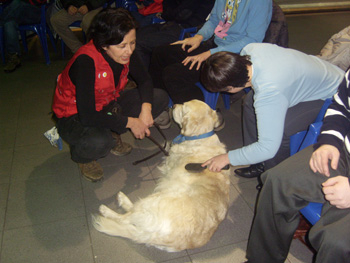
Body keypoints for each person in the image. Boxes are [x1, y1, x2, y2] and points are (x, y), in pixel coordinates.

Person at [52, 8, 169, 182]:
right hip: (74, 115)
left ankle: (113, 131)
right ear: (104, 44)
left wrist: (146, 109)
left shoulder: (126, 51)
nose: (129, 51)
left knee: (158, 97)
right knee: (100, 141)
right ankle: (83, 157)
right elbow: (88, 116)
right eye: (122, 46)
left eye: (132, 43)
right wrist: (131, 122)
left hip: (106, 103)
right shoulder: (86, 62)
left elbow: (145, 80)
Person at [245, 70, 350, 263]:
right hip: (344, 151)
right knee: (278, 181)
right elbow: (342, 108)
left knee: (338, 243)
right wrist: (330, 141)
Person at [200, 43, 344, 178]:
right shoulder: (250, 50)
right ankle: (257, 161)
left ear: (231, 88)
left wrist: (227, 158)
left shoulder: (269, 92)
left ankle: (274, 175)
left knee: (283, 131)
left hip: (333, 93)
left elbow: (268, 147)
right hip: (310, 78)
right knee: (249, 101)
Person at [148, 0, 272, 108]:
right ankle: (160, 104)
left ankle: (203, 120)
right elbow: (213, 20)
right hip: (215, 46)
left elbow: (253, 39)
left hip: (236, 55)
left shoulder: (259, 2)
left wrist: (210, 53)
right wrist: (199, 37)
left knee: (174, 74)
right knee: (160, 53)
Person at [135, 0, 215, 68]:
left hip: (186, 30)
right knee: (134, 36)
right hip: (169, 23)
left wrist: (171, 13)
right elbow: (167, 9)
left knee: (139, 43)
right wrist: (171, 14)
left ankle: (143, 80)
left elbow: (183, 14)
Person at [1, 0, 45, 73]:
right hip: (18, 13)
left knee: (17, 3)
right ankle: (14, 56)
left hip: (36, 11)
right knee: (8, 24)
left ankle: (1, 21)